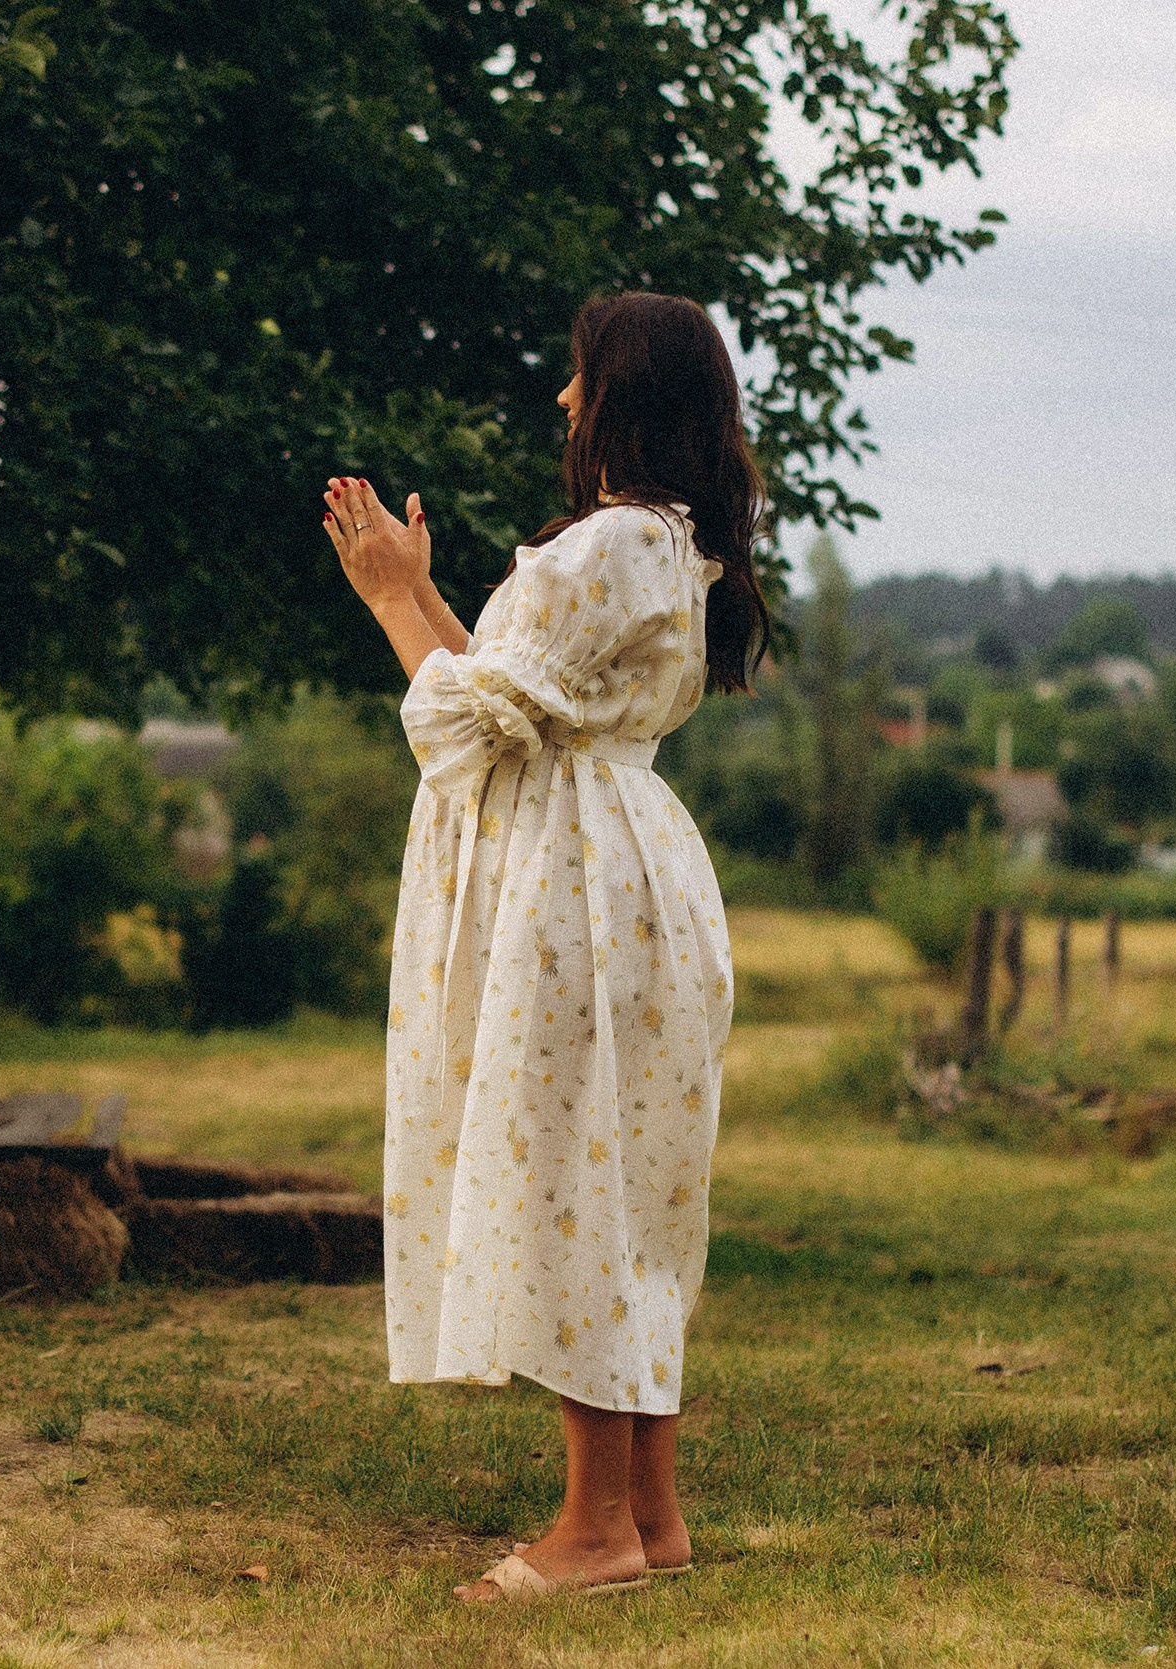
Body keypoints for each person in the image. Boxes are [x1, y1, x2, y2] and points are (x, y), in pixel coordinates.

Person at [321, 291, 767, 1602]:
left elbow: (461, 724)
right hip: (617, 863)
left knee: (584, 1181)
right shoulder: (662, 543)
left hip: (577, 884)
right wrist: (416, 599)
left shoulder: (609, 543)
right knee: (633, 1187)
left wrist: (396, 598)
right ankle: (650, 1516)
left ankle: (593, 1533)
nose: (561, 404)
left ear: (620, 393)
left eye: (578, 381)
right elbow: (509, 699)